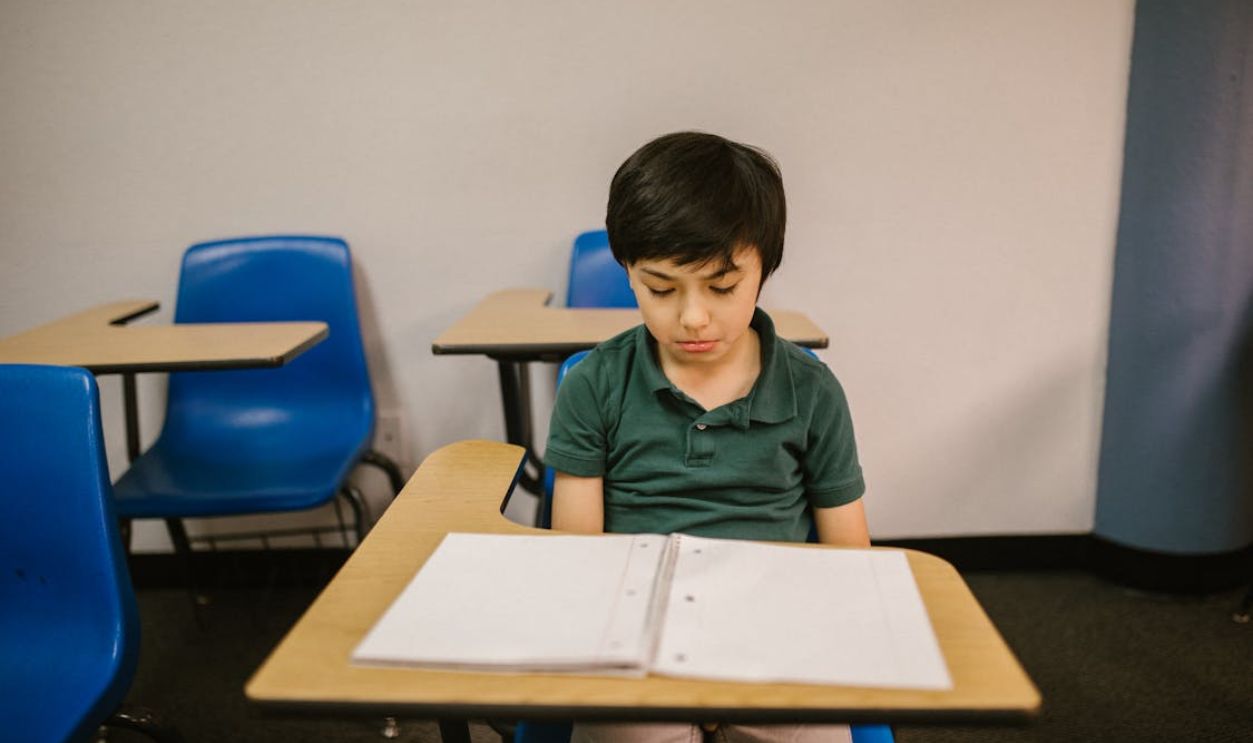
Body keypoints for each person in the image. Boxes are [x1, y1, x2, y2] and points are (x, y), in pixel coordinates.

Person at [545, 131, 869, 743]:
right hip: (637, 632)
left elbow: (848, 560)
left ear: (763, 271)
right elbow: (580, 560)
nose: (693, 316)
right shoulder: (594, 384)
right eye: (661, 289)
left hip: (776, 632)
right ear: (628, 274)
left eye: (722, 287)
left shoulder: (812, 391)